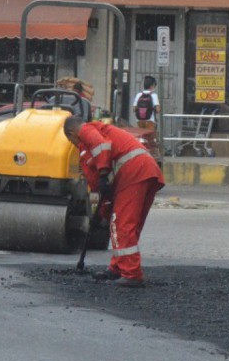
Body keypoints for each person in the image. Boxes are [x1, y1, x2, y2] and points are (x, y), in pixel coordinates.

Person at [63, 116, 165, 287]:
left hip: (133, 171)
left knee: (121, 225)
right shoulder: (95, 144)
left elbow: (101, 146)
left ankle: (132, 274)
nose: (74, 144)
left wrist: (103, 173)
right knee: (127, 225)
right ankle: (118, 268)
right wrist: (101, 215)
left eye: (71, 141)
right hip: (145, 170)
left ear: (72, 133)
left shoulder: (86, 130)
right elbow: (102, 189)